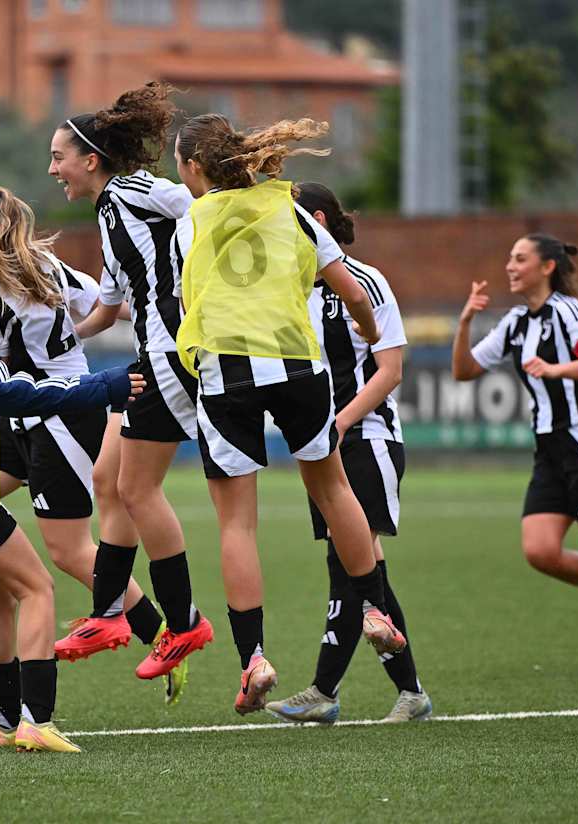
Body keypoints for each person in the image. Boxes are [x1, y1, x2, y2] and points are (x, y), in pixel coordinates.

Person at [0, 188, 186, 703]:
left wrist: (142, 350)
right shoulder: (38, 267)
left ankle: (159, 633)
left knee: (66, 552)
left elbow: (6, 372)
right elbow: (111, 307)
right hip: (27, 415)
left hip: (54, 414)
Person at [173, 114, 406, 715]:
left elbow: (189, 301)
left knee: (236, 523)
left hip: (228, 373)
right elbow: (353, 293)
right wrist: (367, 326)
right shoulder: (295, 212)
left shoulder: (189, 224)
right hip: (301, 367)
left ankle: (254, 658)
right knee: (334, 491)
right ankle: (376, 609)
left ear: (195, 168)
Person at [47, 82, 213, 680]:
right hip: (150, 353)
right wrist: (56, 332)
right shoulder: (108, 214)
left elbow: (199, 204)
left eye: (59, 156)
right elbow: (109, 307)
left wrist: (200, 275)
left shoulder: (138, 190)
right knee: (108, 481)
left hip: (171, 353)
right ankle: (109, 612)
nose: (52, 168)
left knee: (138, 491)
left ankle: (185, 621)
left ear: (91, 159)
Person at [266, 182, 431, 725]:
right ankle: (407, 693)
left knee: (346, 564)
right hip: (322, 447)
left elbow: (391, 370)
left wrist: (340, 421)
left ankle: (325, 691)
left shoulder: (365, 281)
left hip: (369, 439)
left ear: (315, 221)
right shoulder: (288, 287)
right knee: (360, 566)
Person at [452, 233, 578, 603]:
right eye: (511, 257)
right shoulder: (515, 322)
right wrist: (465, 322)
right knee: (541, 551)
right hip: (550, 449)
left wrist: (557, 370)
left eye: (521, 259)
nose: (510, 266)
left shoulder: (567, 310)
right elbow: (464, 371)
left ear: (547, 267)